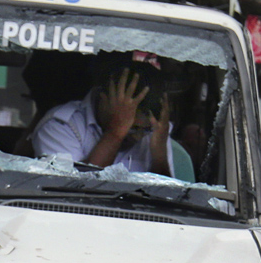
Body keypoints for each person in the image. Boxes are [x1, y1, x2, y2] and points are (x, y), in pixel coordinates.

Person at [31, 56, 173, 176]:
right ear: (104, 100)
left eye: (145, 130)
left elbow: (164, 196)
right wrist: (115, 132)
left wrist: (160, 156)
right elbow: (75, 189)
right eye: (132, 128)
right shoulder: (60, 125)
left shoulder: (155, 130)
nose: (138, 137)